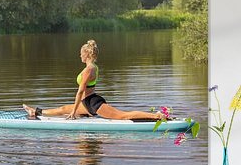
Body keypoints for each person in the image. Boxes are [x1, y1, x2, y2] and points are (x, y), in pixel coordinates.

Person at [23, 39, 164, 121]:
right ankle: (35, 111)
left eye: (80, 54)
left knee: (123, 116)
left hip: (93, 103)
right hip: (86, 103)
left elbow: (80, 92)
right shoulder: (91, 67)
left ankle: (156, 116)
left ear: (86, 54)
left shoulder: (89, 69)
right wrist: (74, 109)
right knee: (63, 109)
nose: (79, 56)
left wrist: (74, 113)